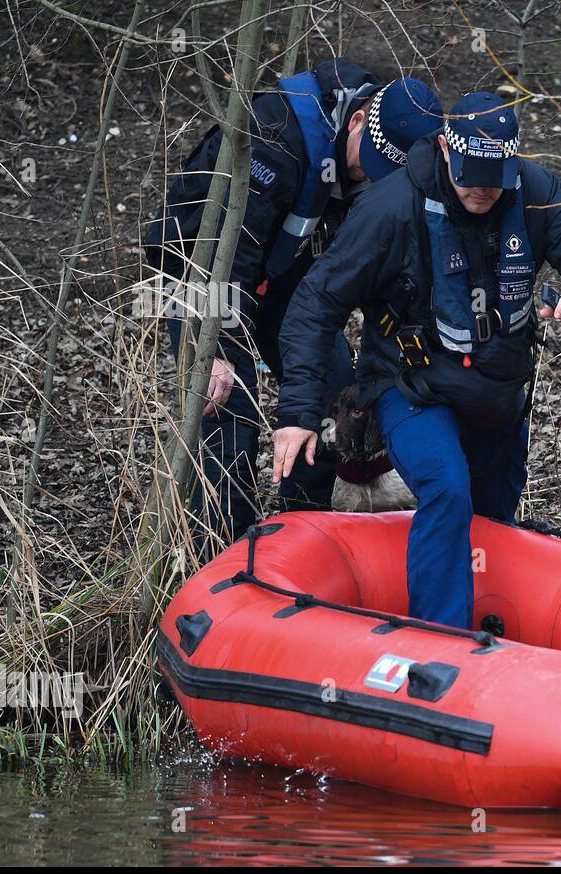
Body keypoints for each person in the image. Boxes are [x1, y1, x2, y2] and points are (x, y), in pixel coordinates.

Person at [273, 92, 561, 628]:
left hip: (497, 393)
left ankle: (496, 635)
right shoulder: (391, 209)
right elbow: (314, 303)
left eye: (496, 176)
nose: (484, 189)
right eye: (472, 175)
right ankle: (441, 637)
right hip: (411, 386)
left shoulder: (532, 191)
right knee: (445, 486)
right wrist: (299, 413)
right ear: (444, 148)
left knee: (493, 517)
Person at [143, 61, 442, 548]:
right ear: (358, 121)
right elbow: (227, 251)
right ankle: (223, 555)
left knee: (333, 386)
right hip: (201, 277)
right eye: (369, 164)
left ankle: (302, 533)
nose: (368, 178)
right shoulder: (276, 137)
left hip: (278, 277)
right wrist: (213, 347)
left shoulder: (376, 158)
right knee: (228, 417)